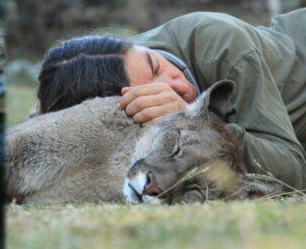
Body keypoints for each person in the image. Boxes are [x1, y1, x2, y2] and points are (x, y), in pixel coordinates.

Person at [37, 10, 306, 191]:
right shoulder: (109, 103)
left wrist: (200, 125)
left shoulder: (223, 47)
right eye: (152, 97)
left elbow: (294, 172)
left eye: (156, 65)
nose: (178, 86)